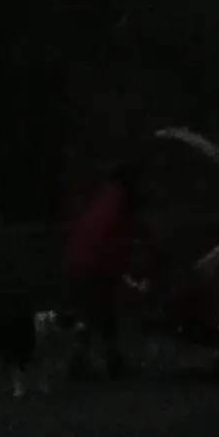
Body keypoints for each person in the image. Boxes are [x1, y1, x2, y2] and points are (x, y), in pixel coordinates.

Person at [59, 164, 143, 382]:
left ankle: (87, 360)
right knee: (100, 314)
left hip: (82, 263)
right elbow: (114, 241)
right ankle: (101, 361)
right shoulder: (119, 205)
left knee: (92, 313)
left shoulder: (102, 201)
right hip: (95, 266)